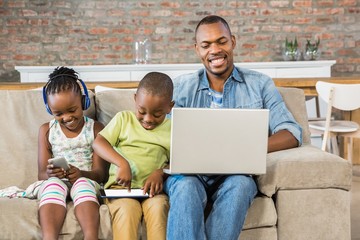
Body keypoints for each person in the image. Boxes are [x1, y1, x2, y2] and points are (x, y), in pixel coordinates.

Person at [163, 15, 303, 240]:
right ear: (197, 49)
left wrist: (249, 148)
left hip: (235, 174)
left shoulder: (259, 84)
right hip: (190, 175)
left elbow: (292, 132)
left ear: (233, 42)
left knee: (240, 185)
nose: (215, 50)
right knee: (185, 187)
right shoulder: (180, 87)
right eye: (206, 45)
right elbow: (158, 132)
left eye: (222, 41)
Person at [92, 72, 174, 240]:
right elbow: (98, 143)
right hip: (120, 190)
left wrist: (160, 172)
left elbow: (179, 162)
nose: (148, 119)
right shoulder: (124, 119)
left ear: (170, 107)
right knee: (127, 210)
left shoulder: (172, 128)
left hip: (152, 192)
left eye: (157, 114)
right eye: (142, 111)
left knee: (159, 208)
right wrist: (122, 164)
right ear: (135, 99)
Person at [37, 66, 107, 240]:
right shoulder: (46, 130)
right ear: (49, 110)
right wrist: (50, 173)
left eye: (72, 110)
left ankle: (91, 237)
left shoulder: (96, 129)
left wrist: (81, 174)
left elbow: (101, 174)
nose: (67, 117)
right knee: (52, 184)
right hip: (57, 181)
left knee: (82, 184)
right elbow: (40, 174)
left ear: (83, 102)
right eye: (58, 113)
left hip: (87, 180)